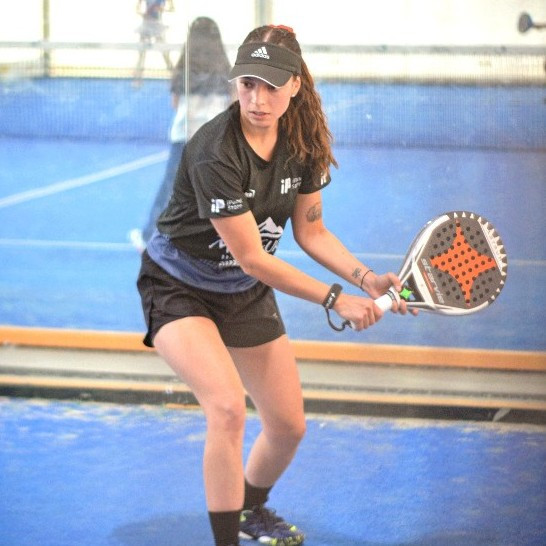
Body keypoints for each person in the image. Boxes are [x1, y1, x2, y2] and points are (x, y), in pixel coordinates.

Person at [136, 24, 411, 546]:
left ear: (295, 85)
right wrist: (336, 299)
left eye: (270, 86)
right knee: (226, 408)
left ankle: (250, 509)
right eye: (247, 84)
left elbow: (312, 231)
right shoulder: (214, 150)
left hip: (241, 290)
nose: (257, 100)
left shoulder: (304, 144)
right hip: (178, 285)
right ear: (235, 83)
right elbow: (253, 257)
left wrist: (367, 277)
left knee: (287, 426)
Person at [130, 16, 232, 251]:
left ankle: (148, 238)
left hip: (185, 138)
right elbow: (232, 103)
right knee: (221, 192)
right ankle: (228, 242)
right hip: (214, 140)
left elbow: (175, 104)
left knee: (170, 190)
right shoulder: (225, 71)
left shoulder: (183, 70)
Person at [133, 0, 174, 85]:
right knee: (142, 53)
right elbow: (137, 8)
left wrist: (162, 9)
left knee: (165, 53)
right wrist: (141, 14)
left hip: (158, 25)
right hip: (146, 24)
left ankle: (174, 78)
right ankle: (138, 79)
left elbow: (172, 8)